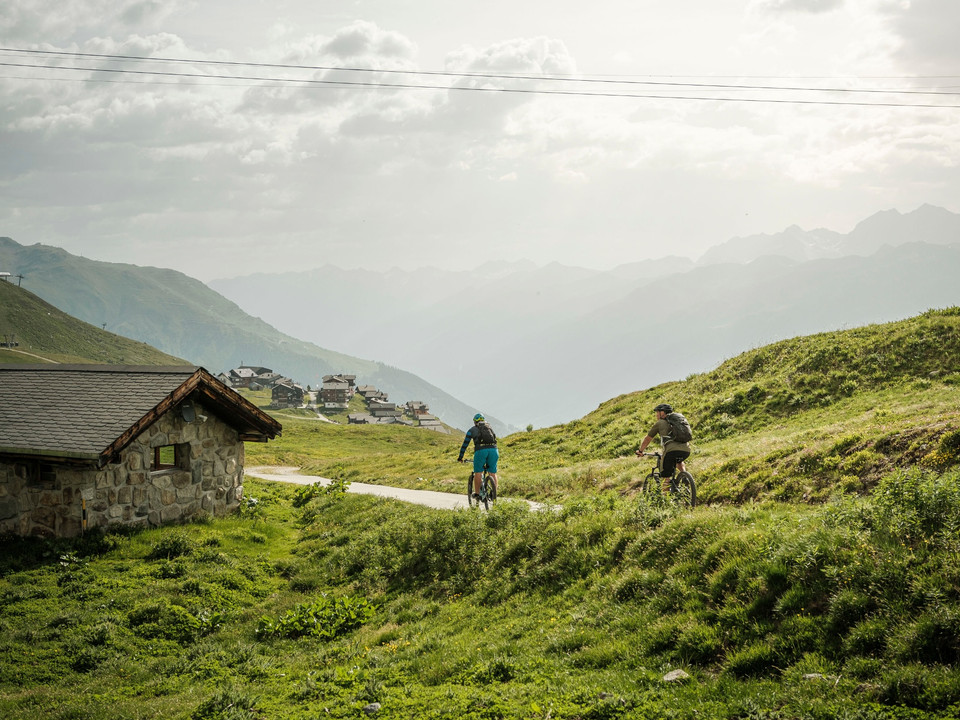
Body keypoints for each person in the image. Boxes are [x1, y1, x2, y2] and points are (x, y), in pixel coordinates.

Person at [636, 403, 690, 491]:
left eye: (657, 412)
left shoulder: (660, 423)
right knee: (679, 461)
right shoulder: (678, 421)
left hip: (670, 451)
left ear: (663, 413)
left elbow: (648, 439)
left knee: (666, 478)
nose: (656, 415)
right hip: (686, 450)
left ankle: (666, 501)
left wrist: (640, 451)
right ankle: (684, 475)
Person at [457, 413, 499, 499]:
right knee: (492, 473)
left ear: (474, 422)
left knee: (478, 472)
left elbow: (465, 444)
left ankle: (477, 494)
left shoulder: (472, 430)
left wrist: (460, 457)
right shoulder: (489, 428)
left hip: (481, 451)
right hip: (494, 450)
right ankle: (494, 494)